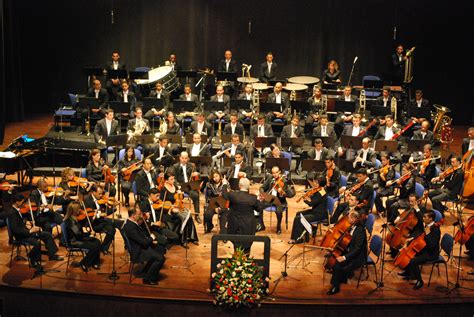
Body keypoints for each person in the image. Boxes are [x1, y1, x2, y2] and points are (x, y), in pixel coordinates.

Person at [8, 193, 63, 272]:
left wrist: (33, 228)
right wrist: (30, 231)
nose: (24, 204)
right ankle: (34, 261)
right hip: (20, 236)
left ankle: (52, 255)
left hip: (26, 232)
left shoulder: (18, 210)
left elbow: (26, 221)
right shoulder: (12, 213)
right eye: (22, 202)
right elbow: (15, 230)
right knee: (36, 243)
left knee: (46, 234)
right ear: (17, 202)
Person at [122, 207, 166, 285]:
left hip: (140, 246)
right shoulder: (130, 227)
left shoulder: (133, 223)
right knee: (160, 258)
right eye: (139, 214)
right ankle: (148, 279)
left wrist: (147, 221)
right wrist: (151, 238)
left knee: (161, 249)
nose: (141, 215)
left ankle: (147, 270)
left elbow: (141, 234)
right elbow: (144, 243)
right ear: (133, 216)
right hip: (138, 251)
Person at [327, 211, 367, 295]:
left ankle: (335, 286)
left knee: (338, 262)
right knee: (334, 255)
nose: (347, 218)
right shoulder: (352, 226)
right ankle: (340, 275)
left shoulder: (360, 231)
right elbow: (344, 237)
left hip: (358, 257)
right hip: (350, 250)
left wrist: (344, 257)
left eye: (349, 217)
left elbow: (357, 250)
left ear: (354, 219)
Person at [399, 210, 440, 290]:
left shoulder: (436, 230)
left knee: (413, 261)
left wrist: (427, 234)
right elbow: (421, 235)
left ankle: (419, 281)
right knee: (409, 253)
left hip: (431, 254)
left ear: (430, 219)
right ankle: (409, 273)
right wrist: (412, 238)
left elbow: (432, 245)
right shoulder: (427, 226)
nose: (423, 218)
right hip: (425, 249)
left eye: (425, 217)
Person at [222, 178, 263, 253]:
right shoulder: (253, 198)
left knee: (236, 245)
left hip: (234, 224)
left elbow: (224, 194)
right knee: (247, 246)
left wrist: (224, 184)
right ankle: (246, 261)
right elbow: (259, 209)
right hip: (248, 226)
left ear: (239, 185)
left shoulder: (233, 195)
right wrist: (258, 199)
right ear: (249, 186)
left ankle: (237, 261)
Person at [159, 172, 199, 245]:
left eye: (173, 179)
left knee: (189, 216)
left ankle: (192, 237)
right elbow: (162, 202)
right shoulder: (163, 190)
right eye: (171, 179)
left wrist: (181, 194)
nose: (173, 180)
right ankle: (183, 240)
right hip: (169, 210)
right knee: (183, 217)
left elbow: (181, 199)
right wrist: (171, 208)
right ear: (166, 180)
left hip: (179, 207)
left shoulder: (176, 187)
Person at [83, 184, 121, 254]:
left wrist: (113, 207)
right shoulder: (87, 200)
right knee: (112, 230)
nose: (101, 195)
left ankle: (104, 248)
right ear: (93, 192)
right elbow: (88, 215)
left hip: (101, 220)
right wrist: (99, 215)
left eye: (102, 193)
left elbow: (105, 212)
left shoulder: (100, 200)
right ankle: (103, 248)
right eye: (99, 193)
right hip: (93, 224)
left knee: (119, 224)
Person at [63, 201, 101, 271]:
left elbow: (79, 230)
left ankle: (94, 262)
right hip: (74, 242)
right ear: (74, 211)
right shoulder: (70, 221)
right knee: (94, 246)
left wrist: (88, 230)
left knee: (97, 241)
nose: (80, 210)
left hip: (79, 238)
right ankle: (84, 263)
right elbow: (78, 234)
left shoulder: (74, 218)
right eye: (78, 209)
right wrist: (89, 235)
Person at [289, 177, 328, 244]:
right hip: (315, 211)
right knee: (298, 214)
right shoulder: (319, 190)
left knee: (298, 218)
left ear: (320, 184)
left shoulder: (320, 193)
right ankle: (304, 235)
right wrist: (308, 194)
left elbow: (311, 203)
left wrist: (305, 199)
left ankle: (297, 239)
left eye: (316, 183)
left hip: (319, 214)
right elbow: (314, 199)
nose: (315, 184)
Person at [258, 166, 295, 234]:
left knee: (278, 211)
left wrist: (282, 192)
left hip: (280, 201)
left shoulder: (284, 181)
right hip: (270, 199)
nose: (274, 174)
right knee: (258, 206)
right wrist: (262, 193)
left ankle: (278, 227)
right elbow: (262, 187)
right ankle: (261, 225)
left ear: (279, 172)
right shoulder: (270, 178)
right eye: (273, 173)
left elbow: (290, 194)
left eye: (276, 172)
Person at [388, 193, 425, 258]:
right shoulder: (410, 206)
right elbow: (404, 213)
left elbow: (422, 220)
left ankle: (400, 252)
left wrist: (417, 209)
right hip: (408, 226)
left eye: (412, 201)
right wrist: (399, 217)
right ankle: (394, 250)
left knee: (402, 238)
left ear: (417, 201)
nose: (410, 203)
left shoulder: (422, 208)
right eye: (409, 201)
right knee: (395, 234)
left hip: (417, 229)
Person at [172, 152, 201, 224]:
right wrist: (178, 185)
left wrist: (196, 174)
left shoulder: (191, 165)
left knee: (196, 194)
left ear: (188, 158)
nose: (184, 160)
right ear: (180, 158)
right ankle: (194, 215)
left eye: (186, 158)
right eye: (183, 158)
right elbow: (174, 178)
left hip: (189, 185)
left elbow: (197, 175)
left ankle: (197, 215)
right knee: (196, 195)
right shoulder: (175, 166)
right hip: (181, 186)